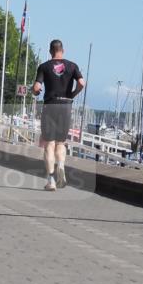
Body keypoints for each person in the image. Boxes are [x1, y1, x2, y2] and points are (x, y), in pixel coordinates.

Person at [32, 39, 86, 191]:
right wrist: (73, 94)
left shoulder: (44, 66)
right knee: (61, 143)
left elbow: (37, 87)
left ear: (50, 51)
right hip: (65, 106)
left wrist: (35, 91)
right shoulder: (72, 66)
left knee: (49, 144)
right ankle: (61, 165)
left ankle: (51, 180)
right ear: (63, 50)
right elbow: (82, 83)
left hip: (50, 105)